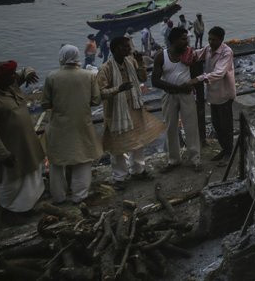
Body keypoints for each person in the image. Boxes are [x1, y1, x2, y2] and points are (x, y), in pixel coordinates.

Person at [98, 36, 164, 187]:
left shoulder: (131, 61)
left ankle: (138, 170)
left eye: (129, 46)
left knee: (138, 139)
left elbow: (143, 78)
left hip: (134, 107)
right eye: (126, 47)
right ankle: (119, 177)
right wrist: (118, 89)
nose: (129, 49)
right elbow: (101, 93)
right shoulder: (106, 68)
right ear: (116, 49)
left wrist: (140, 62)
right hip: (116, 111)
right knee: (117, 144)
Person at [0, 61, 43, 217]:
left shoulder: (11, 85)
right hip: (10, 148)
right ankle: (11, 211)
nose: (14, 76)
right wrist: (3, 154)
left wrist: (29, 72)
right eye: (10, 74)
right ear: (0, 78)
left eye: (14, 73)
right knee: (12, 182)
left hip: (26, 144)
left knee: (31, 177)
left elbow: (25, 70)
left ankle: (27, 207)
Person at [42, 45, 103, 204]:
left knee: (57, 162)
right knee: (83, 158)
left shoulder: (52, 77)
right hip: (82, 123)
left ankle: (59, 197)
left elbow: (45, 103)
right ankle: (79, 196)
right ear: (77, 57)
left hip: (59, 125)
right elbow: (96, 100)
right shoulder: (89, 76)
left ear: (61, 57)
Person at [152, 27, 201, 172]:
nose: (187, 42)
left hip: (186, 95)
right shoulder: (161, 56)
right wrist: (178, 88)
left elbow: (196, 75)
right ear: (174, 40)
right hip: (170, 95)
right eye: (183, 39)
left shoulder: (189, 55)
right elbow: (155, 81)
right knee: (170, 127)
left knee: (191, 126)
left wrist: (192, 87)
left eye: (187, 39)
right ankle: (174, 160)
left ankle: (195, 159)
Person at [195, 26, 236, 163]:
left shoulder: (226, 52)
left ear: (221, 39)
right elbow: (197, 54)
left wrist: (199, 79)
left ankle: (228, 153)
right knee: (217, 125)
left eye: (214, 40)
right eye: (209, 39)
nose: (211, 42)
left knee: (226, 126)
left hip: (224, 94)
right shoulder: (208, 49)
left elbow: (219, 72)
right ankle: (224, 149)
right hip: (213, 95)